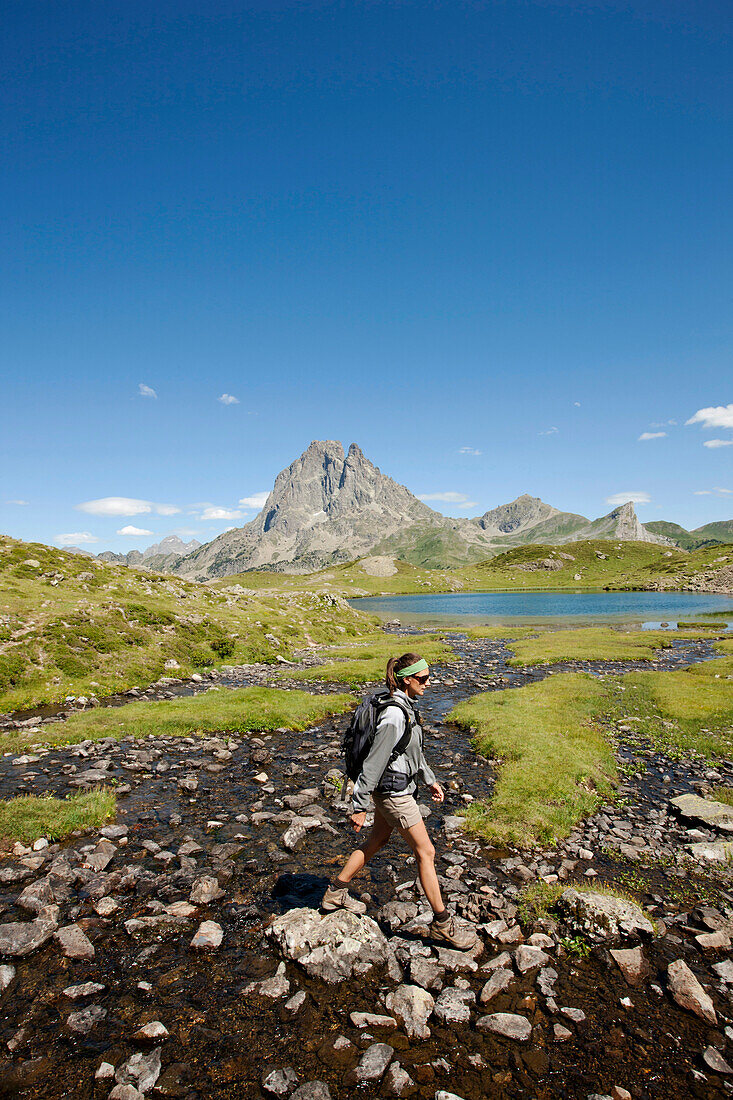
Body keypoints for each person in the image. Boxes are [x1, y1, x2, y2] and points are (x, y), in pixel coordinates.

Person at [321, 651, 476, 950]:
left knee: (377, 841)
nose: (429, 683)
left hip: (394, 789)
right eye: (423, 679)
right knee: (426, 852)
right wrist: (360, 805)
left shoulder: (405, 707)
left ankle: (335, 892)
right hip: (394, 794)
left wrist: (428, 779)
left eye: (429, 677)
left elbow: (411, 751)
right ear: (407, 680)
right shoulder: (394, 714)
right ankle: (443, 924)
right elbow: (375, 763)